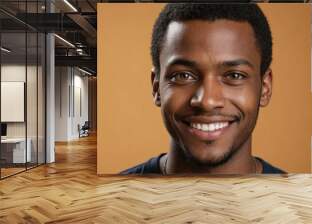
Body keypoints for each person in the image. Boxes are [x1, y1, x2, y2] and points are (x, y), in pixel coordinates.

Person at [121, 3, 284, 175]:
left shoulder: (299, 198)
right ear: (156, 88)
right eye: (183, 76)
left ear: (265, 88)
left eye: (234, 75)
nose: (207, 101)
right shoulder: (114, 197)